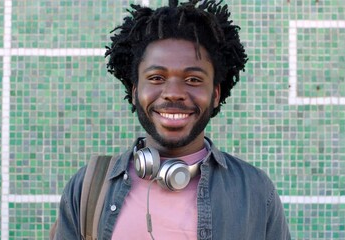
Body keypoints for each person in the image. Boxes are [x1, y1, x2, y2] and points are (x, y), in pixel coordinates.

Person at [53, 0, 291, 239]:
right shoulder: (88, 187)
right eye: (156, 77)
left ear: (216, 94)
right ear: (135, 91)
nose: (174, 92)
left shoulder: (255, 191)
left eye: (193, 80)